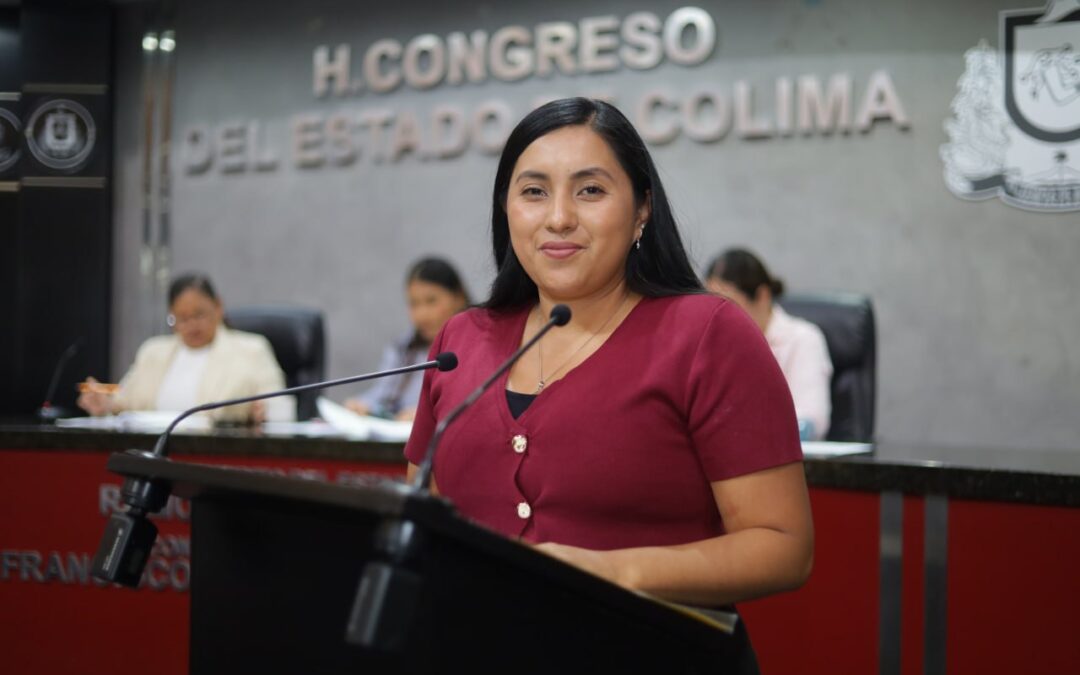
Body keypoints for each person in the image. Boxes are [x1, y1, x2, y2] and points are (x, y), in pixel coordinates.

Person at [403, 98, 813, 664]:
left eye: (590, 190)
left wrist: (611, 571)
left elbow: (783, 547)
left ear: (642, 208)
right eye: (533, 191)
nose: (559, 217)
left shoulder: (708, 334)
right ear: (506, 209)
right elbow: (424, 522)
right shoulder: (461, 339)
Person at [77, 273, 290, 423]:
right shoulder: (153, 352)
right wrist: (103, 403)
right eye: (182, 318)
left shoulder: (251, 350)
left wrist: (266, 412)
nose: (191, 326)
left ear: (218, 307)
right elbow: (123, 403)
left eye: (199, 315)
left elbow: (280, 407)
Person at [704, 249, 833, 441]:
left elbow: (811, 422)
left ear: (763, 296)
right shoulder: (711, 344)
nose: (719, 317)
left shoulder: (803, 339)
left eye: (728, 305)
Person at [345, 257, 470, 421]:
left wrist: (428, 415)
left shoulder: (478, 347)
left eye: (431, 301)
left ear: (458, 298)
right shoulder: (403, 347)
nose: (421, 314)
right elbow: (382, 395)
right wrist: (362, 405)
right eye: (414, 304)